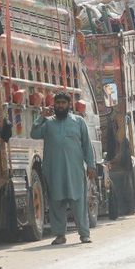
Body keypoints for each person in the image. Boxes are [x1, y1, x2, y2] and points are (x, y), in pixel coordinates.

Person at [30, 92, 96, 245]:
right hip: (54, 171)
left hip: (75, 171)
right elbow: (34, 134)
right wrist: (41, 117)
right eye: (57, 103)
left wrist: (91, 165)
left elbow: (86, 145)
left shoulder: (78, 122)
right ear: (54, 104)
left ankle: (84, 234)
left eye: (63, 103)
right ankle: (60, 235)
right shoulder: (48, 123)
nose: (60, 105)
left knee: (79, 202)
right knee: (56, 203)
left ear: (69, 105)